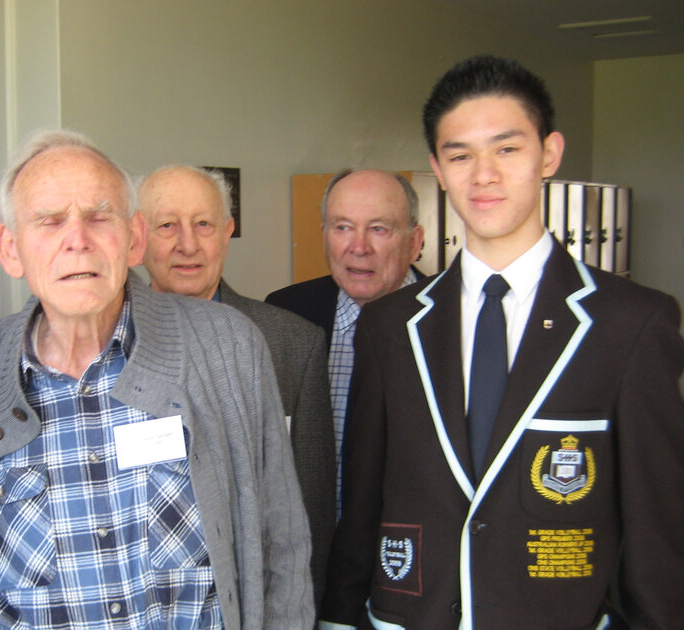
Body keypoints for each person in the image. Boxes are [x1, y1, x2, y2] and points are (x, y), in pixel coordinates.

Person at [320, 54, 684, 630]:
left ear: (550, 154)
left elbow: (657, 529)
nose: (482, 174)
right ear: (437, 169)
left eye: (507, 149)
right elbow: (363, 502)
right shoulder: (390, 327)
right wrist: (339, 620)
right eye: (460, 155)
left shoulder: (631, 324)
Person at [0, 131, 313, 629]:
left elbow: (282, 541)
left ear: (135, 238)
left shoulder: (229, 346)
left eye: (99, 217)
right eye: (50, 221)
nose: (77, 239)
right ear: (11, 250)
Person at [138, 164, 335, 604]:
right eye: (167, 225)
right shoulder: (105, 348)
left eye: (203, 224)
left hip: (255, 603)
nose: (187, 244)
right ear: (137, 237)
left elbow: (312, 509)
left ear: (227, 231)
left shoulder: (293, 343)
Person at [266, 169, 424, 511]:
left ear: (414, 242)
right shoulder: (285, 313)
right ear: (324, 235)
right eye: (343, 227)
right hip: (310, 550)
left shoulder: (451, 321)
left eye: (379, 229)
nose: (358, 247)